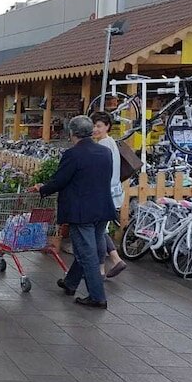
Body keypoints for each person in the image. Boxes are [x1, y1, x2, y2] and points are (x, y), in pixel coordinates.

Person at [29, 115, 117, 309]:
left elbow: (60, 180)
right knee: (88, 248)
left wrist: (42, 188)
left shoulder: (73, 154)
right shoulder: (105, 152)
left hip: (81, 211)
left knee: (87, 253)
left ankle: (97, 296)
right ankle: (70, 283)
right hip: (102, 207)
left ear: (72, 133)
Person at [91, 111, 128, 278]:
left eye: (99, 126)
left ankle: (100, 269)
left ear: (107, 127)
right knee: (102, 230)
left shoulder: (103, 145)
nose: (95, 129)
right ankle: (116, 259)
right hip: (114, 193)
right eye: (93, 126)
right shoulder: (111, 142)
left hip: (104, 194)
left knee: (98, 232)